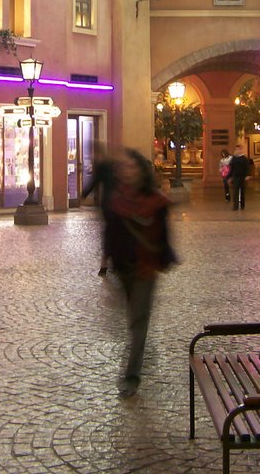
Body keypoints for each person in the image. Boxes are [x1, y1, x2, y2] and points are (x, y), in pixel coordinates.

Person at [103, 148, 177, 397]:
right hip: (124, 268)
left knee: (137, 321)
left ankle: (131, 375)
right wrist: (110, 259)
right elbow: (110, 233)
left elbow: (164, 235)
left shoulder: (156, 202)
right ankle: (134, 359)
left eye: (132, 167)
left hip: (146, 267)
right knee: (133, 318)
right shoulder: (116, 200)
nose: (127, 171)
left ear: (142, 171)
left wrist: (163, 258)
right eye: (124, 168)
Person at [81, 142, 117, 276]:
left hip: (109, 205)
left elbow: (94, 182)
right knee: (113, 232)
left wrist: (83, 195)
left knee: (109, 234)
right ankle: (111, 262)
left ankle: (105, 264)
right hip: (117, 204)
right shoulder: (113, 164)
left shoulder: (103, 166)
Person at [228, 144, 251, 211]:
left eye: (239, 149)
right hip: (235, 177)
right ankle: (235, 206)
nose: (237, 151)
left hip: (243, 177)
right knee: (235, 192)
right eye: (236, 150)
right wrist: (229, 176)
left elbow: (247, 168)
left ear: (241, 150)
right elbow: (231, 168)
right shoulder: (233, 158)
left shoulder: (245, 159)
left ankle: (242, 206)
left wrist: (248, 175)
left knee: (243, 192)